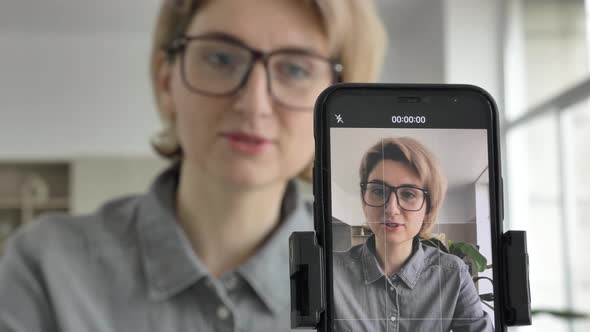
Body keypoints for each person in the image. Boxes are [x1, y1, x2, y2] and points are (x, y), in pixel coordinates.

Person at [0, 0, 386, 331]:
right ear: (167, 80)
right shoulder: (45, 266)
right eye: (221, 58)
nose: (254, 104)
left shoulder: (373, 287)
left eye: (296, 69)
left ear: (338, 100)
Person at [332, 137, 494, 332]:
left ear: (428, 207)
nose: (391, 209)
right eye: (377, 190)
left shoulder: (453, 274)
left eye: (408, 194)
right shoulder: (331, 272)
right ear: (364, 200)